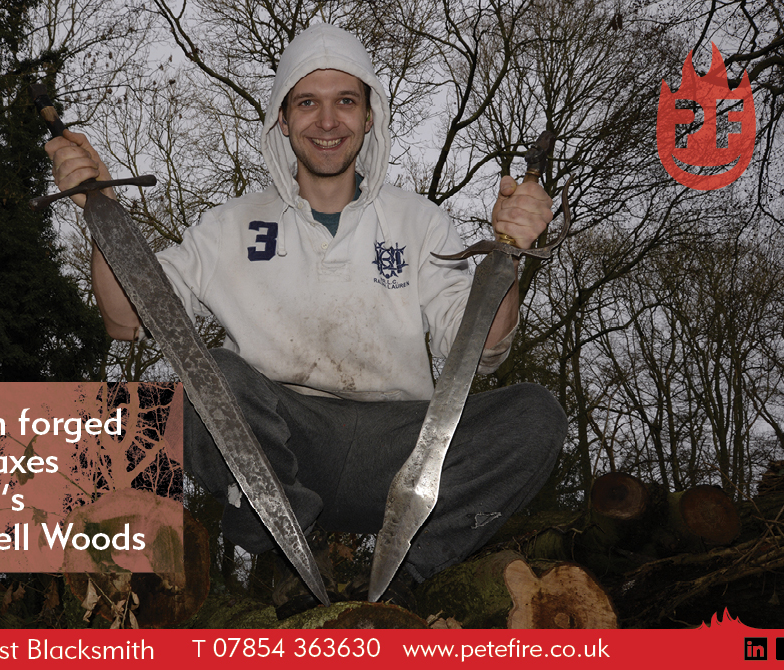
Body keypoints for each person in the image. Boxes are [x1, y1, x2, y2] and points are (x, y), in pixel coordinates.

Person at [47, 23, 567, 616]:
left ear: (370, 116)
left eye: (346, 101)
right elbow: (126, 317)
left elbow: (484, 344)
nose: (327, 121)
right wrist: (99, 211)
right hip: (280, 444)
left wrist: (509, 256)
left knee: (535, 415)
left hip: (401, 449)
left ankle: (405, 574)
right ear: (283, 120)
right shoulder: (229, 226)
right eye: (307, 103)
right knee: (209, 373)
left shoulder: (418, 222)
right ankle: (286, 550)